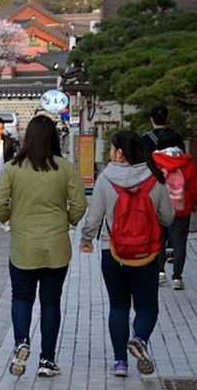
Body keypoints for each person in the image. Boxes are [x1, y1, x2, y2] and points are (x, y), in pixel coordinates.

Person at [0, 115, 87, 378]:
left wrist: (9, 218)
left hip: (23, 246)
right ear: (54, 138)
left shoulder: (12, 168)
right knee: (51, 303)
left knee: (21, 298)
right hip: (56, 246)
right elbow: (79, 204)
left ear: (28, 137)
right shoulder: (65, 168)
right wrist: (67, 220)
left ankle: (21, 341)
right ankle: (47, 360)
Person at [80, 130, 173, 378]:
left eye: (111, 148)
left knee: (119, 306)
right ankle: (140, 339)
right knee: (148, 307)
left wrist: (86, 238)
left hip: (113, 251)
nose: (110, 152)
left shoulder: (106, 178)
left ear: (119, 153)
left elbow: (94, 217)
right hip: (147, 254)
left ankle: (120, 362)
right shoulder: (155, 178)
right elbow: (168, 217)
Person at [152, 128, 197, 290]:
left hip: (159, 207)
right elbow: (194, 187)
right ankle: (177, 278)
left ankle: (159, 273)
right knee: (180, 243)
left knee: (159, 240)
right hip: (182, 207)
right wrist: (191, 203)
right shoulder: (188, 162)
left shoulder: (155, 159)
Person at [141, 104, 183, 268]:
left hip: (153, 183)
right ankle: (172, 248)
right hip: (176, 184)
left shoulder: (145, 139)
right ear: (167, 118)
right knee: (173, 216)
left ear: (151, 119)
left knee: (157, 221)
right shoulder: (177, 137)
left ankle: (159, 262)